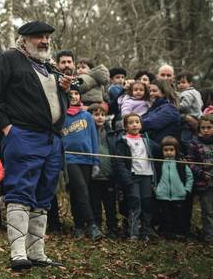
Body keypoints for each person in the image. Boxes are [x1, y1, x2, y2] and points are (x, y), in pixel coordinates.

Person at [0, 21, 69, 270]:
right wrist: (8, 128)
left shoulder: (49, 66)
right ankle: (18, 253)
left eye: (47, 37)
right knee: (20, 192)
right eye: (39, 37)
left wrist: (64, 92)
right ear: (25, 39)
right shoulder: (8, 59)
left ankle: (36, 252)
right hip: (23, 136)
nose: (44, 41)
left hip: (51, 139)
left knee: (43, 196)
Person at [61, 85, 102, 240]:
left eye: (76, 93)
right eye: (70, 93)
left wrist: (96, 161)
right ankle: (91, 225)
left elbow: (94, 139)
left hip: (87, 159)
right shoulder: (62, 116)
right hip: (70, 159)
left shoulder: (87, 116)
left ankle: (78, 226)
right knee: (81, 189)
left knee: (79, 193)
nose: (74, 96)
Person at [113, 114, 155, 241]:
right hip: (133, 177)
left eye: (137, 122)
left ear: (141, 125)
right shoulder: (123, 141)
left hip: (147, 175)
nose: (135, 125)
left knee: (147, 203)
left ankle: (146, 232)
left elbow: (161, 149)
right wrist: (127, 179)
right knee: (135, 203)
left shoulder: (146, 140)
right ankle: (133, 233)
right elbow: (119, 162)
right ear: (126, 126)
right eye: (131, 123)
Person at [87, 104, 118, 238]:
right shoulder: (87, 133)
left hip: (108, 175)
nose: (100, 117)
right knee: (95, 203)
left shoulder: (110, 133)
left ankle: (112, 228)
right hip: (93, 176)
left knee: (110, 204)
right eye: (96, 114)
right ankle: (97, 226)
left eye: (102, 115)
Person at [154, 137, 193, 239]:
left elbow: (190, 177)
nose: (169, 152)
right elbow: (154, 177)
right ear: (162, 151)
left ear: (176, 150)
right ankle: (167, 232)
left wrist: (187, 190)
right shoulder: (159, 163)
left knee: (180, 215)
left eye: (171, 150)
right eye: (166, 150)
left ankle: (180, 232)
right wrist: (156, 189)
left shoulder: (181, 164)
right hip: (163, 195)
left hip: (179, 195)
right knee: (166, 215)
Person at [188, 114, 213, 243]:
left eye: (209, 127)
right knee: (208, 211)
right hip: (205, 182)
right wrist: (202, 173)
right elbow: (190, 162)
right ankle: (209, 237)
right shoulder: (195, 142)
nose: (206, 130)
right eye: (203, 127)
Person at [143, 80, 181, 156]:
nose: (151, 94)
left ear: (164, 92)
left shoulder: (170, 109)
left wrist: (130, 123)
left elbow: (150, 123)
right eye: (150, 91)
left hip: (164, 151)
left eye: (154, 91)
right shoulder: (154, 108)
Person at [177, 72, 203, 143]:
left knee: (185, 139)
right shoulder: (196, 92)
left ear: (190, 83)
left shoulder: (186, 93)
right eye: (178, 83)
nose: (180, 85)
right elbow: (201, 104)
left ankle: (188, 151)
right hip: (198, 117)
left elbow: (185, 106)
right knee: (194, 137)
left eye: (183, 82)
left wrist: (176, 106)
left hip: (188, 120)